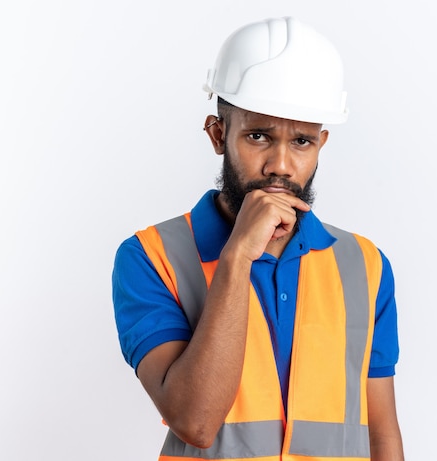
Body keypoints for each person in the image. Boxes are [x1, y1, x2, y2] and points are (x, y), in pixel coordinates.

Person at [112, 16, 404, 461]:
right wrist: (237, 257)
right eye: (258, 136)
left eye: (302, 141)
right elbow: (194, 420)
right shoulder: (151, 258)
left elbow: (381, 435)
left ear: (321, 144)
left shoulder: (364, 266)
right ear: (218, 134)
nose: (280, 165)